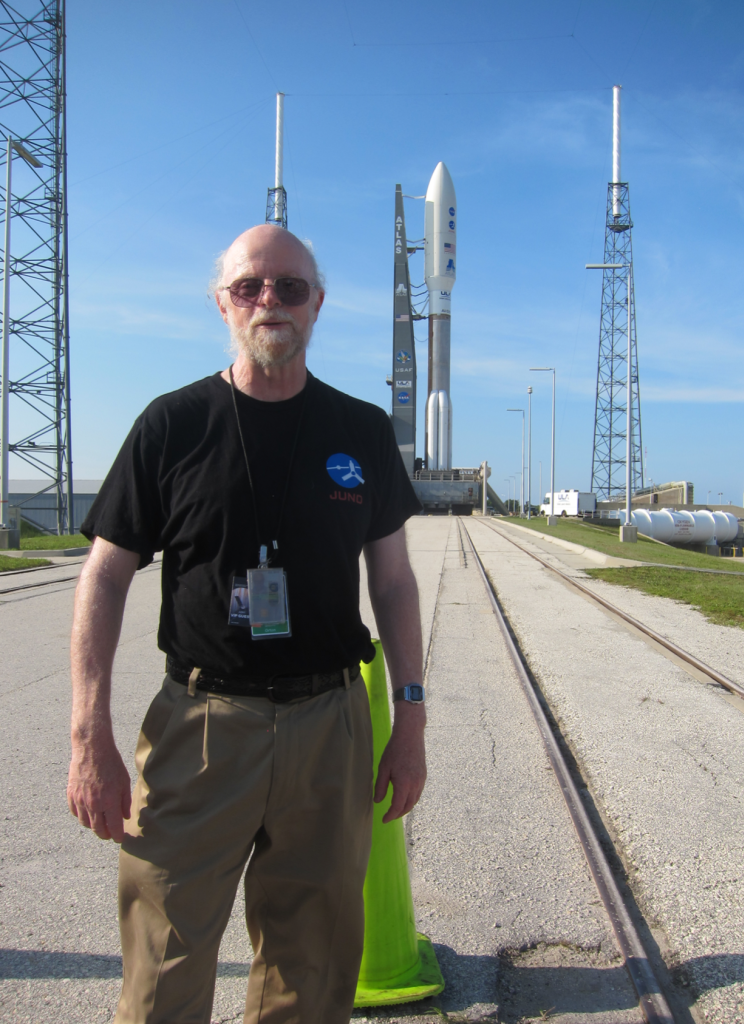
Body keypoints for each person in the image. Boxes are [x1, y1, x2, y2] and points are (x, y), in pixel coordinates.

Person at [67, 224, 427, 1024]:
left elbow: (394, 581)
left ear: (318, 305)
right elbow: (105, 573)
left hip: (329, 724)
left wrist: (410, 717)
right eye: (249, 287)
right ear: (221, 304)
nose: (270, 301)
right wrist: (88, 734)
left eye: (290, 287)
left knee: (313, 963)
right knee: (165, 960)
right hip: (200, 725)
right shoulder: (172, 424)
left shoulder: (361, 430)